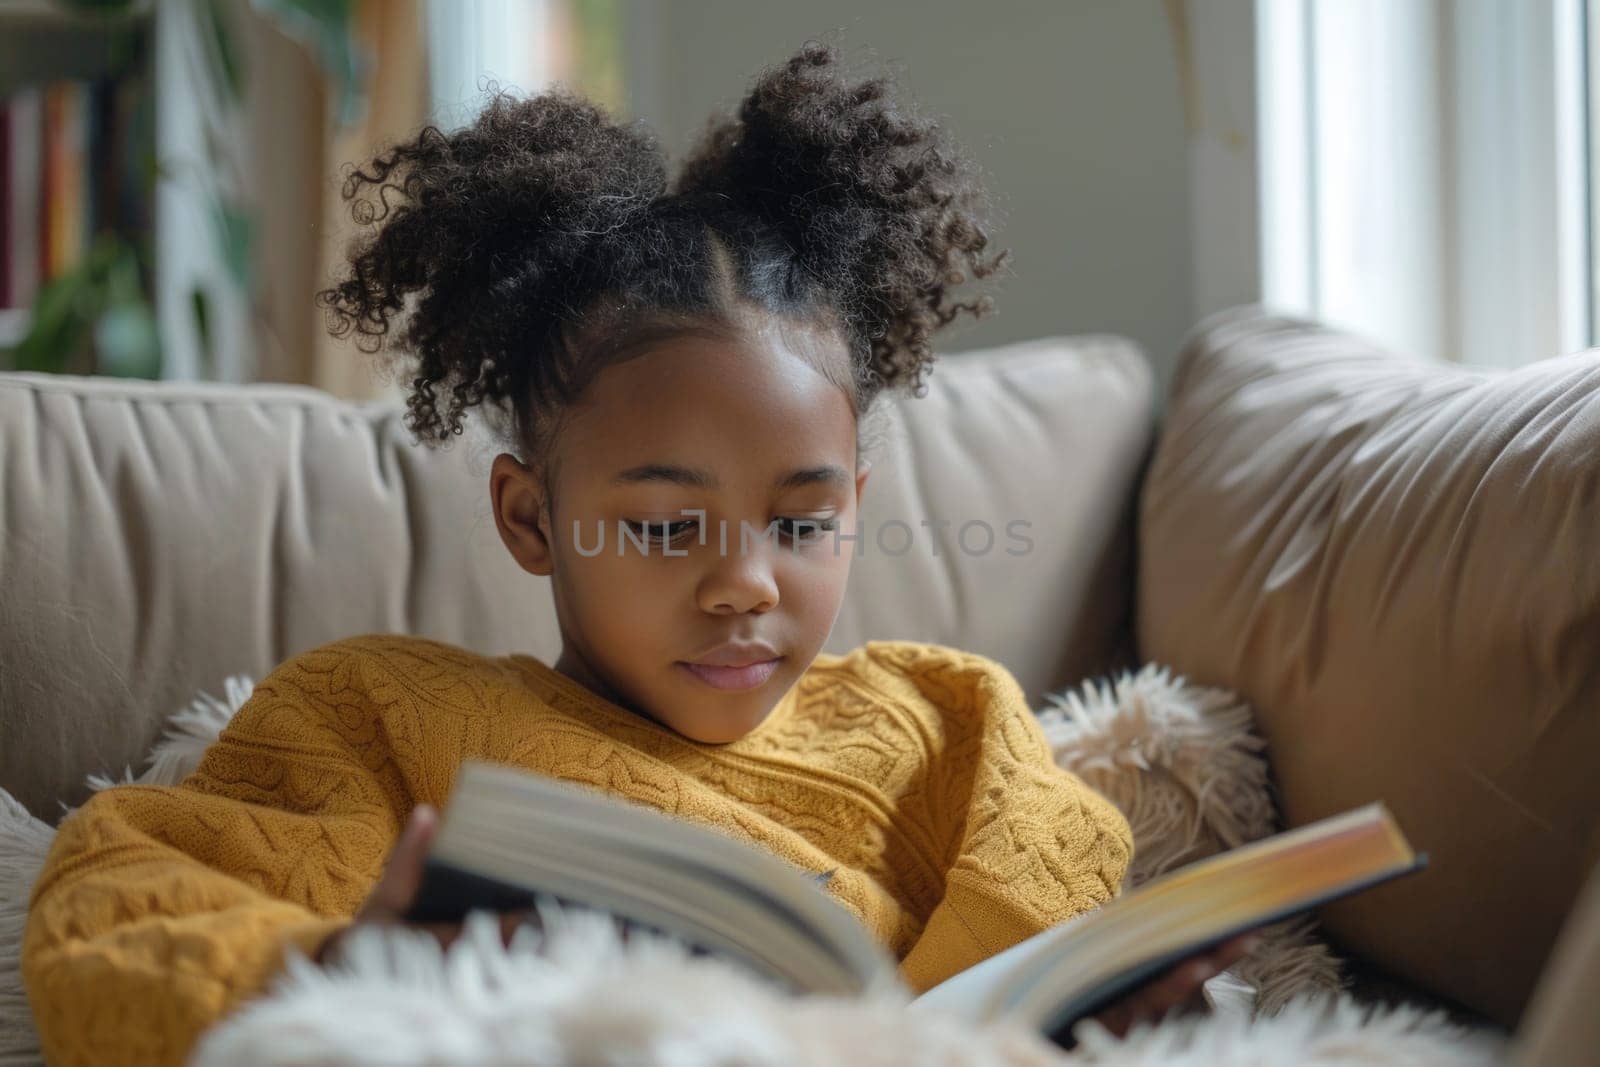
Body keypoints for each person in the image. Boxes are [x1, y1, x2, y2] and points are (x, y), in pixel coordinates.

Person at [21, 40, 1258, 1065]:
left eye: (803, 519)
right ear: (529, 517)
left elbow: (1059, 920)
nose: (746, 581)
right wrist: (344, 962)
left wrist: (1094, 1015)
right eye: (666, 525)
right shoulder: (381, 715)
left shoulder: (947, 719)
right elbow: (122, 902)